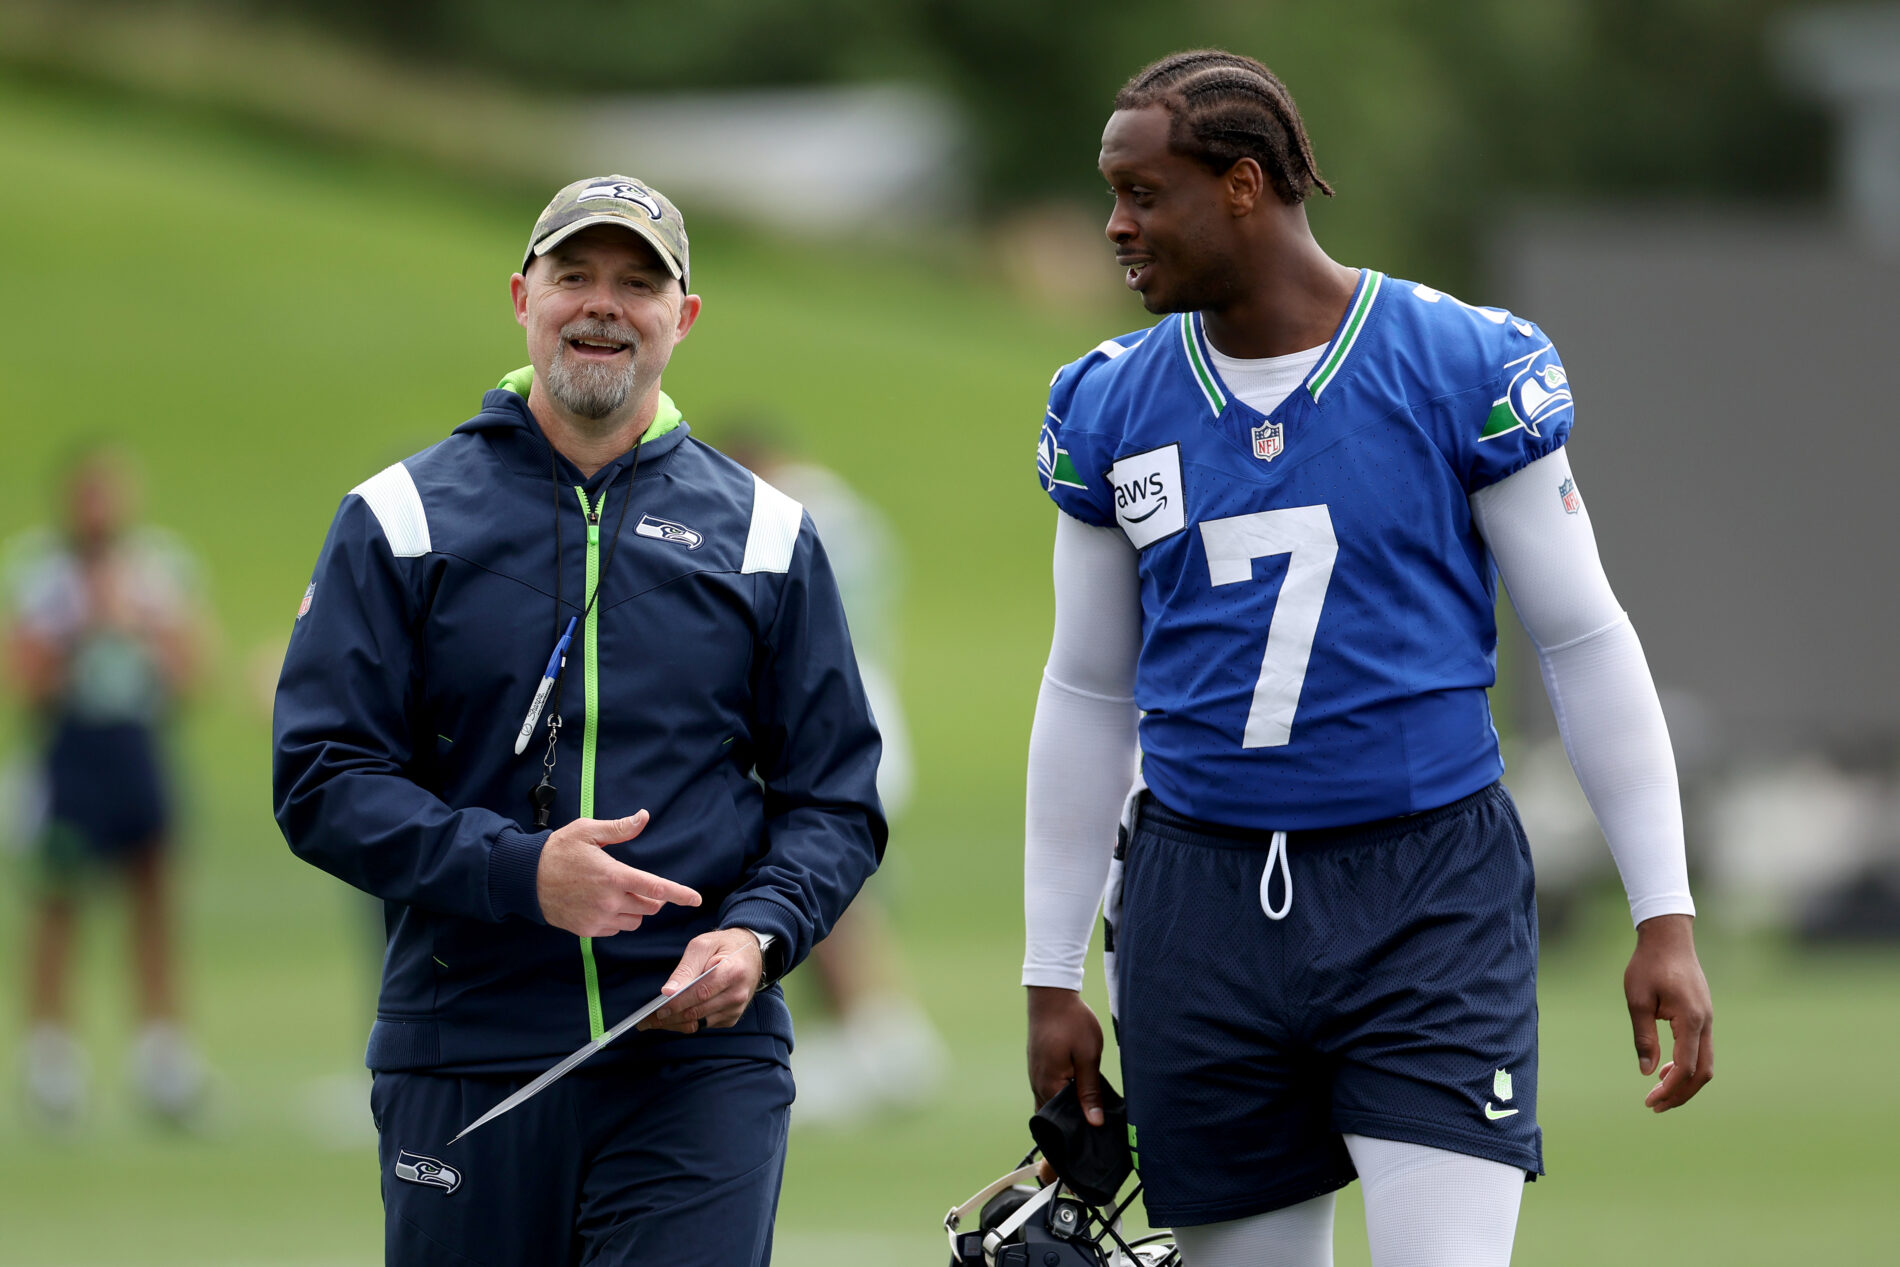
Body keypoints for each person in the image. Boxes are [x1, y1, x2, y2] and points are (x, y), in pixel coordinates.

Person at [1022, 51, 1714, 1267]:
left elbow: (1584, 637)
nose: (1117, 227)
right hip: (1198, 901)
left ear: (1242, 185)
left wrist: (1664, 910)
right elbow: (1087, 687)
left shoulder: (1457, 364)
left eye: (1142, 194)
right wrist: (1049, 968)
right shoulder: (1112, 403)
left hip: (1425, 886)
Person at [273, 175, 885, 1267]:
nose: (603, 304)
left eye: (638, 282)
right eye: (575, 276)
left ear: (681, 319)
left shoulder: (769, 538)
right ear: (522, 296)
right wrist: (521, 873)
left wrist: (758, 932)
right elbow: (321, 780)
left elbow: (833, 797)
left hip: (697, 1061)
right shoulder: (400, 520)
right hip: (466, 1051)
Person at [720, 425, 948, 1124]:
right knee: (835, 894)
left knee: (831, 896)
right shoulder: (845, 515)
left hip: (831, 726)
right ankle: (870, 1037)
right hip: (873, 717)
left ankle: (883, 1041)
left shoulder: (787, 516)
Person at [5, 446, 210, 1127]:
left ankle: (163, 1060)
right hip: (71, 754)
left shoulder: (157, 569)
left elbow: (190, 673)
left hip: (136, 748)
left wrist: (142, 625)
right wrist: (81, 626)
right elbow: (26, 679)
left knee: (152, 898)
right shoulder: (43, 576)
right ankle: (53, 1061)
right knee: (59, 903)